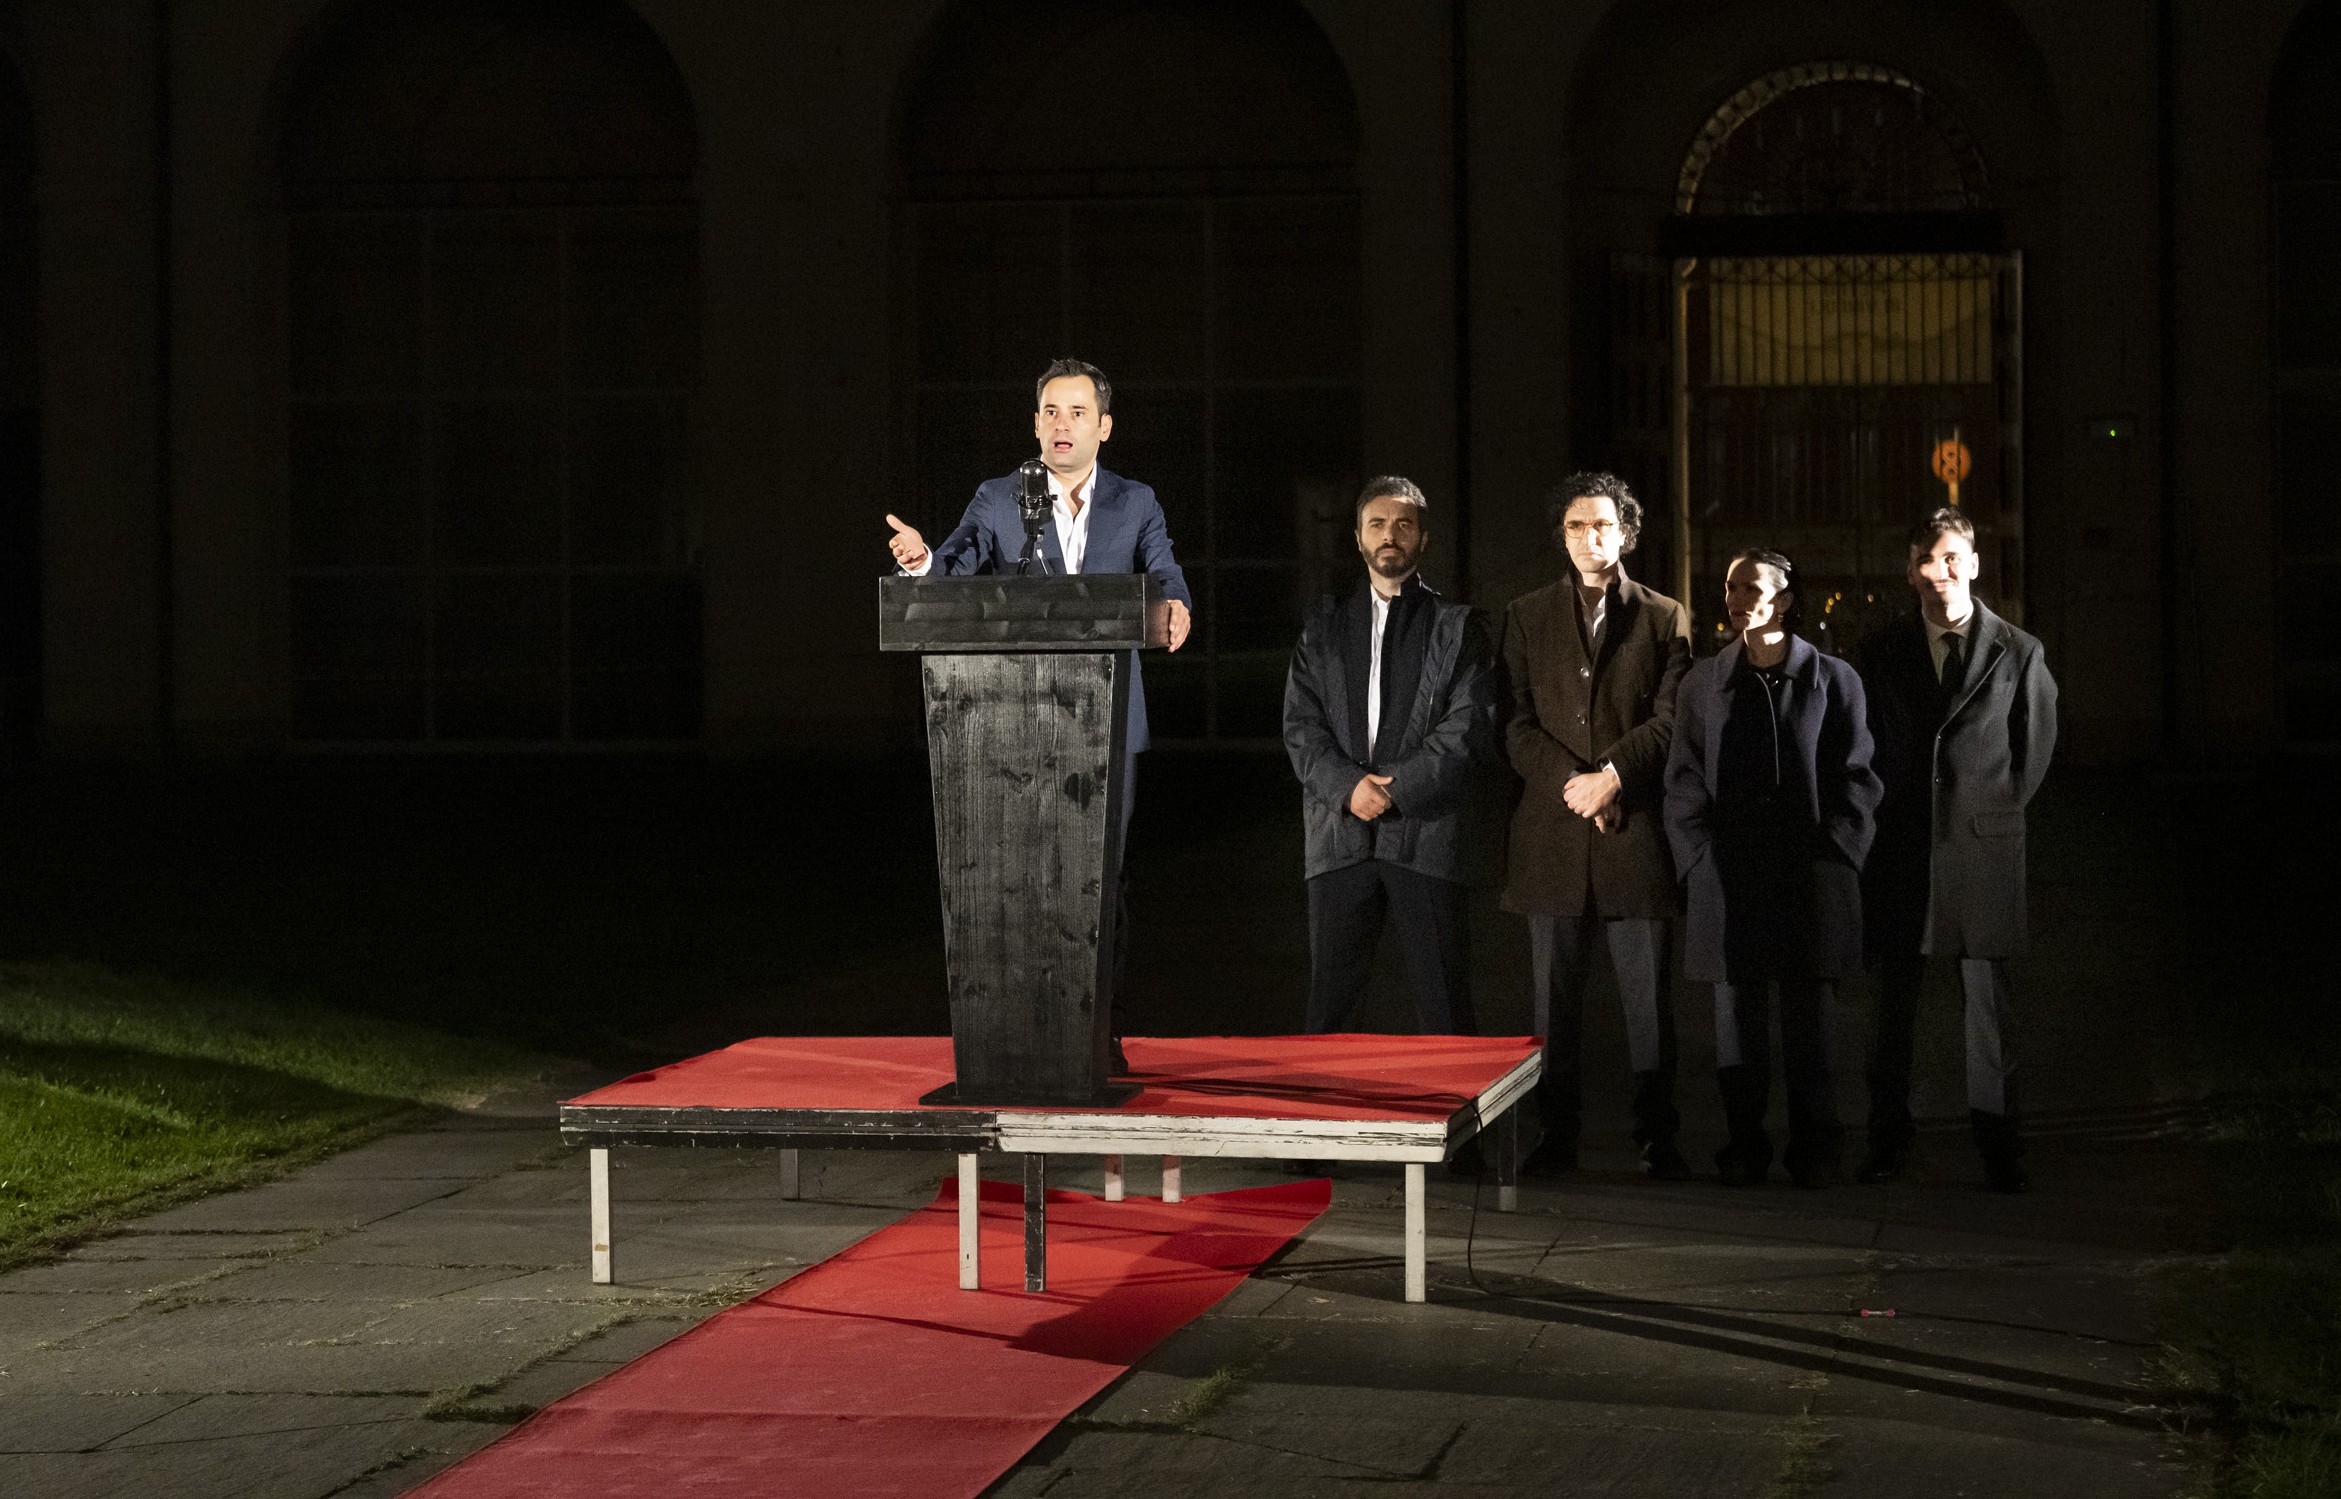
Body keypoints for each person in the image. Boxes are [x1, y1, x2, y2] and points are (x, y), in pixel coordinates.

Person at [883, 358, 1192, 1065]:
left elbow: (1165, 571)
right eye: (1051, 411)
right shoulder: (998, 499)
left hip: (1109, 724)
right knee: (1019, 881)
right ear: (1034, 423)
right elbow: (951, 573)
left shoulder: (1136, 501)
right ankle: (1016, 1035)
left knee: (1102, 883)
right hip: (1011, 726)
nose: (1062, 424)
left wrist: (1176, 605)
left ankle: (1100, 1034)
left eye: (1077, 412)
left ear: (1103, 427)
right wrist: (920, 561)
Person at [1850, 509, 2058, 1192]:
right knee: (1892, 1007)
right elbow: (1861, 743)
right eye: (1925, 559)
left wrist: (1988, 811)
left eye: (1949, 558)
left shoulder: (2018, 652)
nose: (1938, 571)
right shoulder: (1880, 650)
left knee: (1989, 1008)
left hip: (1982, 848)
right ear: (1910, 571)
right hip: (1900, 849)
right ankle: (1887, 1139)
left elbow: (2032, 753)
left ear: (1972, 563)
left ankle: (1999, 1145)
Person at [1664, 549, 1881, 1188]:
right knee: (1738, 1028)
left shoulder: (1834, 679)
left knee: (1811, 1026)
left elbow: (1859, 775)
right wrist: (1701, 858)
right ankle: (1744, 1148)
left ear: (1784, 600)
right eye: (1731, 586)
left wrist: (1836, 852)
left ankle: (1816, 1150)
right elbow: (1683, 778)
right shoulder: (1703, 683)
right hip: (1731, 876)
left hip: (1809, 875)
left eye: (1752, 588)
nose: (1737, 598)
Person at [1499, 473, 1693, 1178]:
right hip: (1552, 837)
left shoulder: (1664, 615)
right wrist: (1576, 786)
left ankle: (1657, 1137)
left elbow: (1672, 719)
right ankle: (1556, 1135)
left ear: (1626, 533)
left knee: (1649, 1005)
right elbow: (1514, 725)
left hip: (1633, 833)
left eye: (1603, 525)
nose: (1590, 538)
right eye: (1576, 526)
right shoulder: (1525, 615)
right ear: (1562, 535)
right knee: (1552, 1008)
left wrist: (1613, 776)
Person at [1284, 476, 1498, 1039]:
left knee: (1444, 1008)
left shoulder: (1458, 628)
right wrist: (1349, 788)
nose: (1389, 535)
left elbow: (1469, 726)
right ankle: (1326, 1102)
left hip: (1426, 835)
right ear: (1358, 538)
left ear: (1423, 538)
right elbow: (1302, 728)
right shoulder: (1323, 630)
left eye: (1404, 525)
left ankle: (1456, 1103)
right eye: (1376, 524)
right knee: (1331, 1012)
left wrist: (1394, 789)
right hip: (1338, 836)